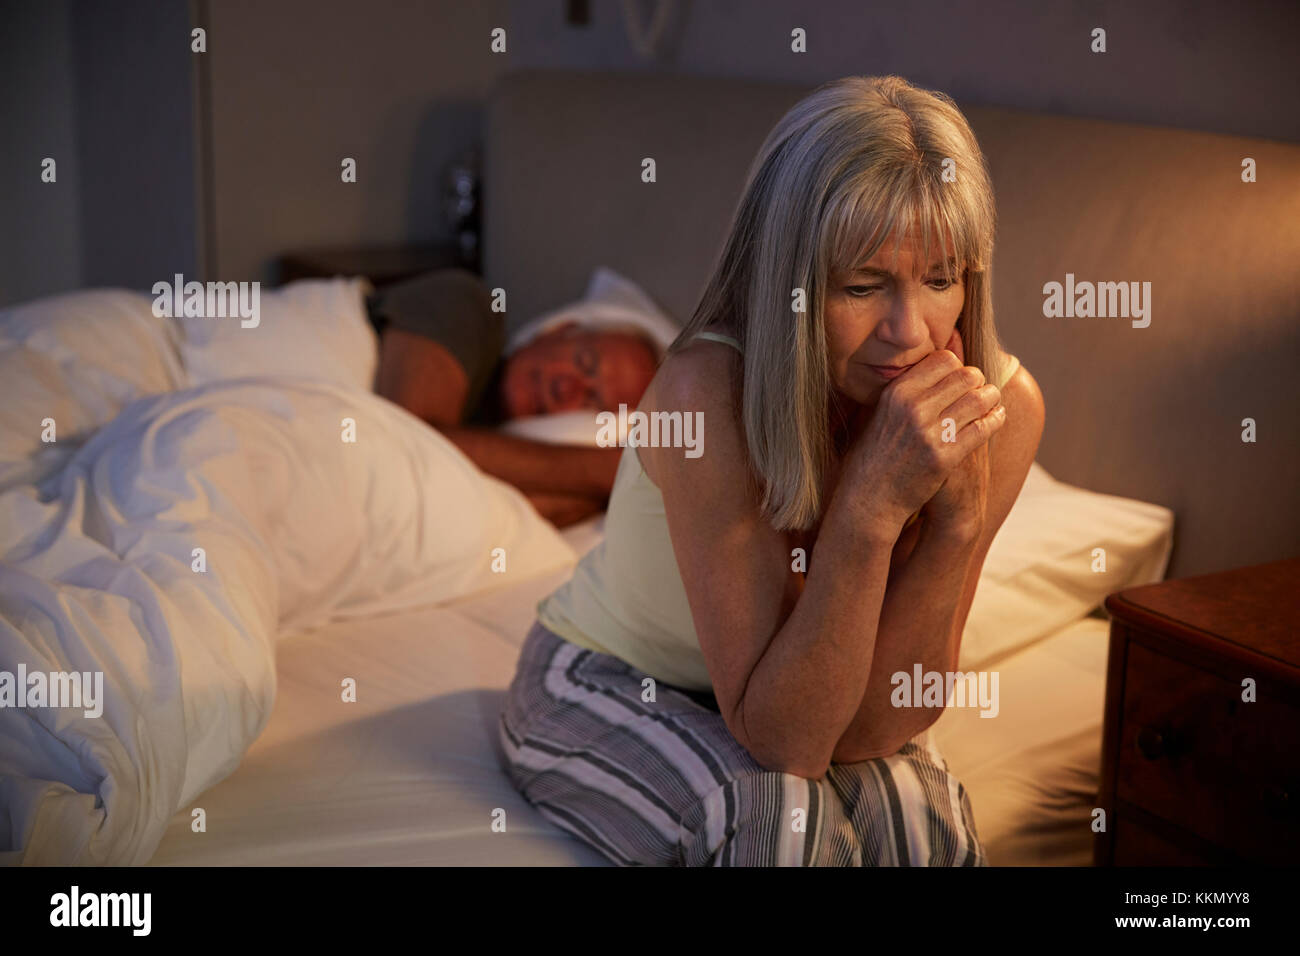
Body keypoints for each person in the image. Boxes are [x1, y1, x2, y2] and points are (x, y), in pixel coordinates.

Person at [497, 75, 1046, 866]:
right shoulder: (707, 397)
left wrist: (956, 525)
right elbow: (788, 744)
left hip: (804, 699)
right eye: (862, 285)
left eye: (940, 278)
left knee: (915, 818)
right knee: (781, 815)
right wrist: (868, 511)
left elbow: (868, 731)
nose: (912, 331)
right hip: (609, 675)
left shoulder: (1005, 408)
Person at [368, 268, 660, 526]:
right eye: (583, 362)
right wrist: (610, 471)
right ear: (559, 330)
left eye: (591, 403)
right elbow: (406, 451)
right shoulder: (465, 307)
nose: (566, 387)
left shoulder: (547, 494)